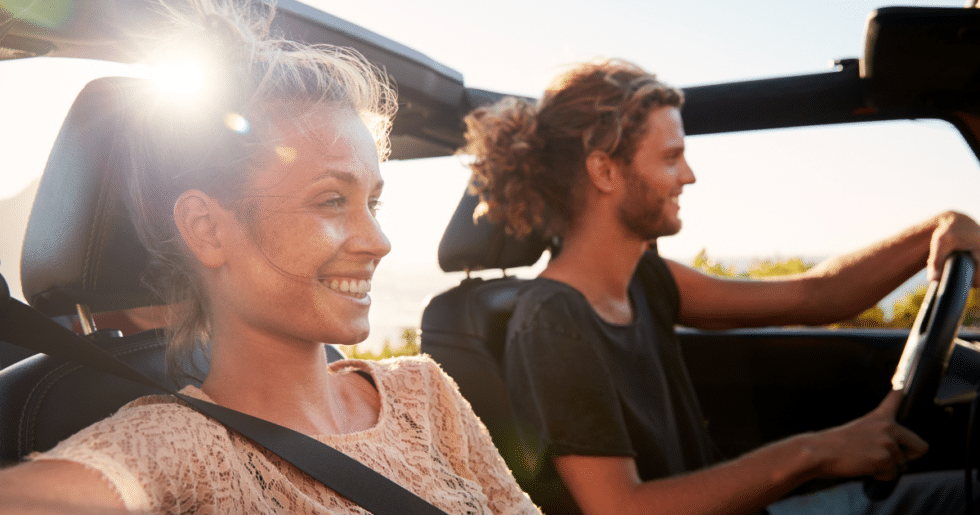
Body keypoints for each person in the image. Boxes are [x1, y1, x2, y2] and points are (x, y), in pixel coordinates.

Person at [0, 1, 540, 514]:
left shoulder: (426, 395)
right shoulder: (176, 450)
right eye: (331, 201)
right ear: (208, 229)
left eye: (372, 203)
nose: (378, 241)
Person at [462, 58, 980, 515]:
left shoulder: (646, 280)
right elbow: (622, 509)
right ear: (604, 170)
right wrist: (814, 453)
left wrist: (938, 228)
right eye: (670, 157)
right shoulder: (551, 322)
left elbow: (813, 296)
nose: (688, 175)